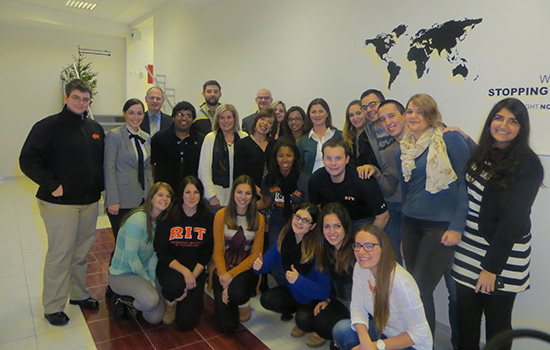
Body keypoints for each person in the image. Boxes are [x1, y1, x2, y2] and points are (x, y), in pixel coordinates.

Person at [451, 98, 544, 350]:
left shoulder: (529, 165)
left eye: (513, 121)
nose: (504, 125)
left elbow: (512, 221)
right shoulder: (481, 153)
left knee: (497, 327)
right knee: (465, 324)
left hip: (502, 256)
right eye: (499, 118)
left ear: (521, 128)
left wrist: (491, 269)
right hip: (468, 251)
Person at [19, 79, 104, 326]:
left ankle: (78, 294)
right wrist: (53, 184)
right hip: (60, 204)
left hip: (88, 202)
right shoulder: (47, 127)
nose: (81, 103)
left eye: (85, 99)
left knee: (79, 252)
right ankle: (53, 306)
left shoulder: (94, 127)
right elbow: (28, 160)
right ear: (66, 98)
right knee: (60, 253)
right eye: (76, 97)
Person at [397, 93, 469, 339]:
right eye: (409, 111)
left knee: (420, 288)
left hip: (440, 226)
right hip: (411, 224)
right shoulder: (405, 147)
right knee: (415, 290)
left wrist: (458, 226)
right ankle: (421, 341)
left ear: (432, 115)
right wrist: (403, 236)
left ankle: (424, 342)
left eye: (420, 111)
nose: (413, 116)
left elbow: (465, 184)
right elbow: (406, 190)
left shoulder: (449, 139)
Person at [333, 225, 432, 350]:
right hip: (385, 332)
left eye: (369, 246)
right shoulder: (361, 267)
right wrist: (365, 342)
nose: (361, 252)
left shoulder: (400, 282)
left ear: (383, 248)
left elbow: (420, 333)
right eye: (357, 245)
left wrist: (376, 346)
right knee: (341, 332)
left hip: (411, 344)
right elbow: (357, 306)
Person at [253, 203, 331, 341]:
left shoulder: (318, 250)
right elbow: (269, 260)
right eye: (298, 217)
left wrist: (299, 281)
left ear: (313, 226)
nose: (299, 222)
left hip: (312, 299)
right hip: (293, 292)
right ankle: (297, 311)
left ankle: (310, 321)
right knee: (267, 299)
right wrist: (259, 265)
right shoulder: (285, 236)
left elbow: (324, 291)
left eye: (306, 220)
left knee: (303, 321)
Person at [108, 182, 173, 324]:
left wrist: (151, 276)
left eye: (168, 196)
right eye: (160, 194)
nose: (165, 199)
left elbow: (153, 255)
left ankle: (140, 296)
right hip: (122, 274)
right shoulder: (138, 219)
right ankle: (121, 300)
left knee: (154, 318)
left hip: (142, 271)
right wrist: (148, 280)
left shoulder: (159, 222)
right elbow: (131, 258)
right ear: (151, 197)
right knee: (150, 301)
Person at [154, 176, 214, 330]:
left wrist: (192, 276)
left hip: (196, 271)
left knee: (186, 324)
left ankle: (190, 298)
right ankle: (171, 302)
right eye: (188, 192)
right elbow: (162, 252)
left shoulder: (208, 218)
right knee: (175, 285)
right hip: (172, 268)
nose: (192, 196)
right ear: (181, 194)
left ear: (201, 194)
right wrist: (185, 272)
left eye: (196, 192)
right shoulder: (168, 217)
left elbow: (207, 252)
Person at [295, 202, 355, 348]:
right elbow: (332, 284)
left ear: (346, 227)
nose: (331, 232)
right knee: (305, 320)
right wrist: (328, 300)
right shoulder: (325, 250)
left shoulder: (357, 251)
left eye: (337, 226)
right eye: (327, 226)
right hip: (340, 302)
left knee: (326, 329)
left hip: (359, 307)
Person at [212, 175, 265, 334]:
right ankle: (232, 296)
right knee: (227, 328)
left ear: (253, 196)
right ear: (233, 193)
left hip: (245, 269)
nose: (243, 197)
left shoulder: (258, 219)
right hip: (222, 269)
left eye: (248, 193)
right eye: (239, 192)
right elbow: (218, 251)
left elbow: (255, 255)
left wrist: (231, 276)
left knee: (237, 293)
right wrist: (224, 276)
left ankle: (243, 303)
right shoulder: (221, 215)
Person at [309, 138, 389, 232]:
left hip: (361, 221)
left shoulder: (363, 181)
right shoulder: (316, 179)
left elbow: (383, 216)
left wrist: (366, 239)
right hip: (332, 221)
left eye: (338, 158)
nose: (333, 163)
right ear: (323, 159)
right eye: (328, 158)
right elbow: (316, 209)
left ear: (347, 159)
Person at [104, 98, 153, 241]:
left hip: (142, 197)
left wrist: (150, 194)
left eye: (139, 113)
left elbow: (147, 168)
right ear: (124, 114)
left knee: (138, 240)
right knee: (122, 242)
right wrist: (112, 199)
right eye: (131, 113)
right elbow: (109, 169)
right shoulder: (114, 136)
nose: (136, 117)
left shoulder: (146, 137)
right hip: (122, 199)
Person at [198, 104, 248, 211]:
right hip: (217, 198)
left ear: (235, 119)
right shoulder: (210, 138)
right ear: (217, 120)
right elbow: (203, 170)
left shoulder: (244, 137)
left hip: (240, 199)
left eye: (229, 117)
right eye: (222, 117)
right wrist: (211, 196)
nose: (226, 121)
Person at [151, 101, 204, 193]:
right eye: (180, 114)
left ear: (193, 119)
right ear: (173, 117)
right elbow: (152, 165)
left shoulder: (201, 140)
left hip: (192, 192)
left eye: (188, 116)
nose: (184, 118)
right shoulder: (159, 138)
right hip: (166, 192)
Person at [233, 108, 276, 193]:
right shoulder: (242, 144)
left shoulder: (275, 145)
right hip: (248, 194)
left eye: (270, 122)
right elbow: (240, 174)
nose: (265, 123)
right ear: (256, 121)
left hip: (272, 194)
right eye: (262, 119)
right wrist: (259, 192)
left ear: (271, 128)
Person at [297, 98, 342, 175]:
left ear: (327, 114)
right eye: (313, 112)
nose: (317, 115)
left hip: (337, 183)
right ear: (309, 115)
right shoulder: (302, 141)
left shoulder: (340, 136)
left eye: (321, 111)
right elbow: (298, 168)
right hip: (311, 184)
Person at [342, 99, 379, 168]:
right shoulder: (344, 138)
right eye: (351, 115)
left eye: (359, 113)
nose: (355, 118)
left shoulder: (374, 135)